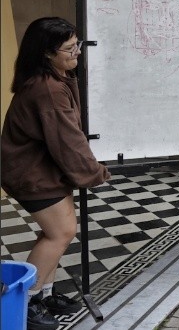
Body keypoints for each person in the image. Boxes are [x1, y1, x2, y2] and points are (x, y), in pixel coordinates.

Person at [1, 17, 110, 330]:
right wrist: (95, 173)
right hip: (30, 172)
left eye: (77, 45)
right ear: (46, 53)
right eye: (68, 49)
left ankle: (44, 293)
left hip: (43, 168)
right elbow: (68, 140)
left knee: (56, 233)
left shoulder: (56, 76)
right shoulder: (47, 89)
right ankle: (28, 301)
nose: (76, 52)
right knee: (60, 232)